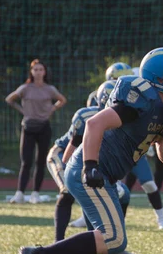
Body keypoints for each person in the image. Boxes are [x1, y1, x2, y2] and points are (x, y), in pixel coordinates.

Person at [19, 47, 163, 254]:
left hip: (106, 174)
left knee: (99, 240)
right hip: (89, 168)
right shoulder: (141, 99)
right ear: (162, 77)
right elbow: (94, 125)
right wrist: (89, 165)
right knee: (114, 238)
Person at [46, 80, 131, 243]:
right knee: (68, 192)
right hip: (63, 154)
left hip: (87, 159)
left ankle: (104, 241)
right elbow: (67, 156)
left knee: (122, 194)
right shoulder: (87, 117)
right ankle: (59, 242)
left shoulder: (127, 121)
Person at [6, 59, 67, 204]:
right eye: (35, 69)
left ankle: (35, 194)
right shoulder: (25, 88)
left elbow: (62, 100)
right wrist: (23, 111)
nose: (38, 72)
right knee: (26, 161)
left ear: (45, 72)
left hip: (44, 127)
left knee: (41, 161)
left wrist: (51, 109)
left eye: (41, 69)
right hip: (28, 127)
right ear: (31, 72)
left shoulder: (49, 89)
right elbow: (10, 99)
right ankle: (20, 193)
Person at [124, 155, 163, 229]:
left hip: (133, 154)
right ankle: (116, 220)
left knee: (149, 185)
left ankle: (161, 218)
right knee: (117, 188)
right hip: (111, 153)